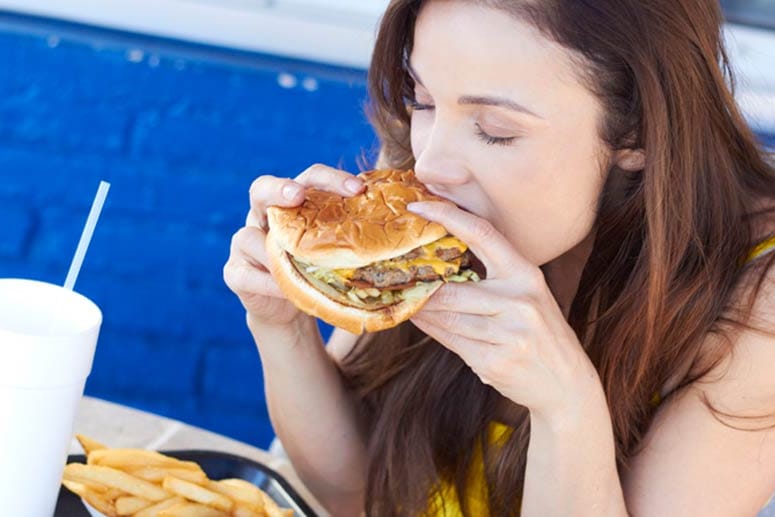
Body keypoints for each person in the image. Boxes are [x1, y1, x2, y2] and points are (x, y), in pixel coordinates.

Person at [224, 0, 775, 515]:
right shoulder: (423, 183)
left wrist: (565, 408)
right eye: (423, 100)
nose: (430, 163)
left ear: (640, 131)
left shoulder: (759, 303)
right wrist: (284, 327)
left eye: (495, 130)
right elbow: (356, 495)